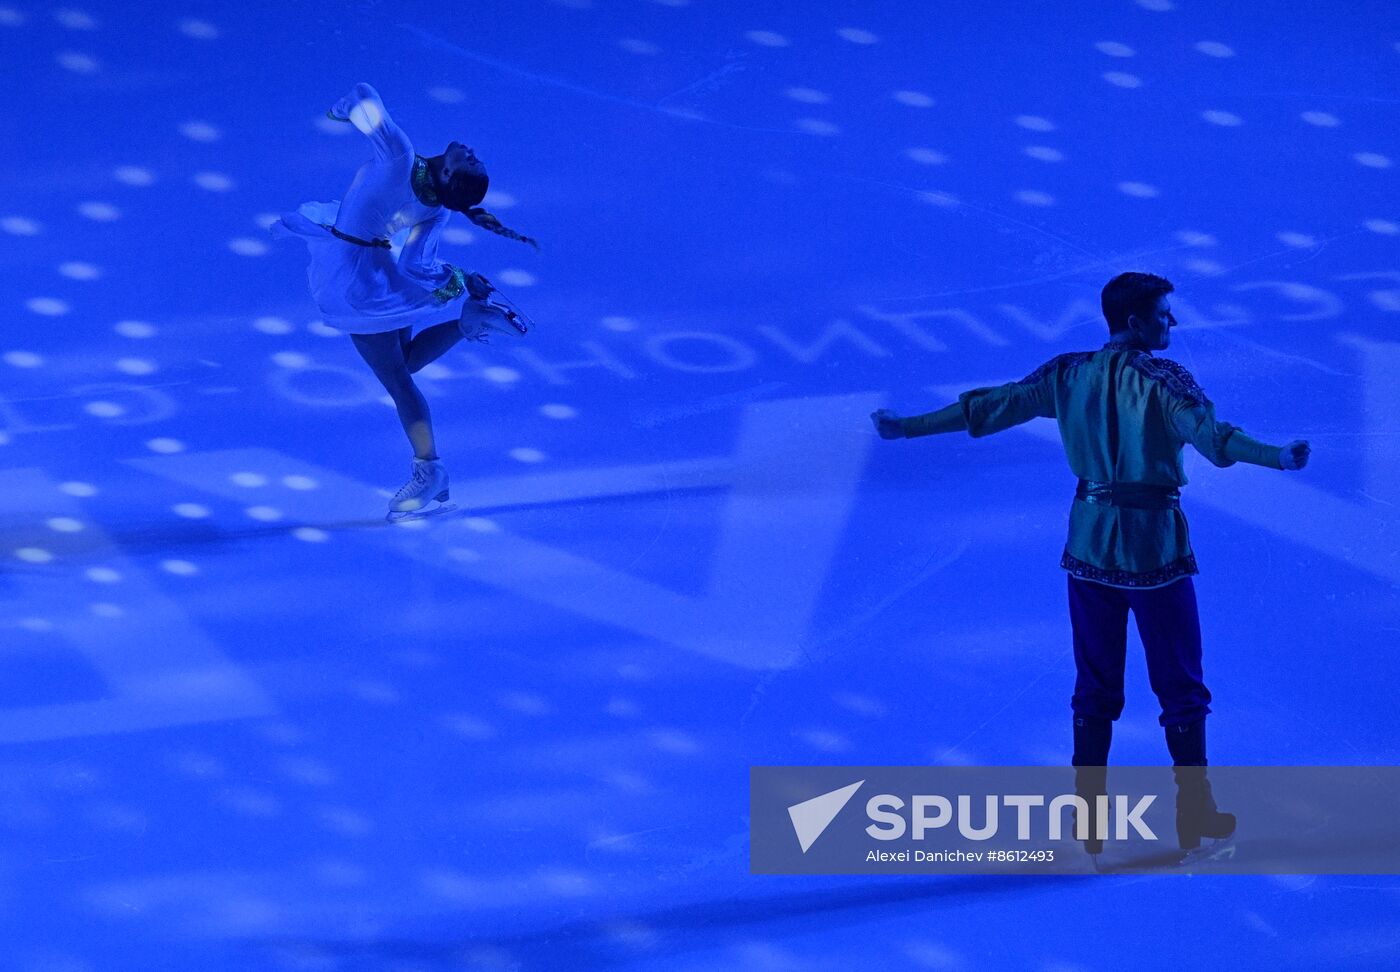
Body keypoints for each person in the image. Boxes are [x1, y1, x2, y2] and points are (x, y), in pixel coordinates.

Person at [871, 272, 1311, 857]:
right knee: (1180, 682)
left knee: (1095, 681)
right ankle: (1193, 811)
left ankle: (1090, 818)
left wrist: (910, 427)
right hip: (1154, 546)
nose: (1171, 323)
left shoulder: (1067, 373)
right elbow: (1216, 438)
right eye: (1162, 314)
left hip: (1089, 546)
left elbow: (995, 404)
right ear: (1134, 321)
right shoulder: (1165, 379)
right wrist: (1278, 457)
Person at [273, 82, 539, 520]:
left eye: (469, 160)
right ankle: (469, 322)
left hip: (353, 282)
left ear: (450, 175)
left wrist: (342, 110)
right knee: (406, 362)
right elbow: (417, 266)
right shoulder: (436, 211)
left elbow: (362, 94)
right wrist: (460, 277)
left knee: (399, 380)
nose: (469, 150)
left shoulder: (399, 155)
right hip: (383, 273)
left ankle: (429, 468)